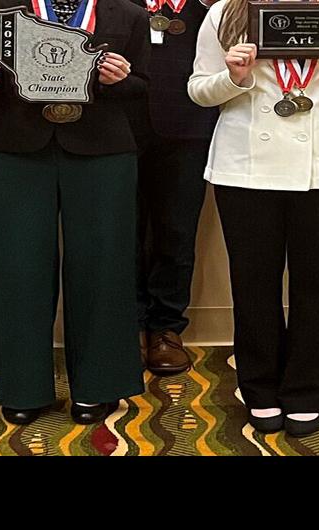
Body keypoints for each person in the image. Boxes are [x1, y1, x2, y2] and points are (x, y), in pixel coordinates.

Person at [189, 0, 319, 437]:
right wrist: (233, 77)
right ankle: (258, 388)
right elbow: (199, 90)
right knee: (253, 281)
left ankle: (305, 390)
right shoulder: (227, 11)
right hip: (245, 166)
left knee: (317, 285)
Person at [0, 0, 148, 425]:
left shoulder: (128, 14)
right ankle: (22, 387)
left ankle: (99, 385)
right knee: (17, 268)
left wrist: (120, 80)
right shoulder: (1, 11)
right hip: (16, 148)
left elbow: (142, 87)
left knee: (103, 266)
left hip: (103, 151)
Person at [130, 0, 217, 376]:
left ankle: (165, 327)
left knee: (177, 231)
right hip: (117, 123)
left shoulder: (209, 5)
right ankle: (124, 325)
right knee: (120, 231)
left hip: (188, 124)